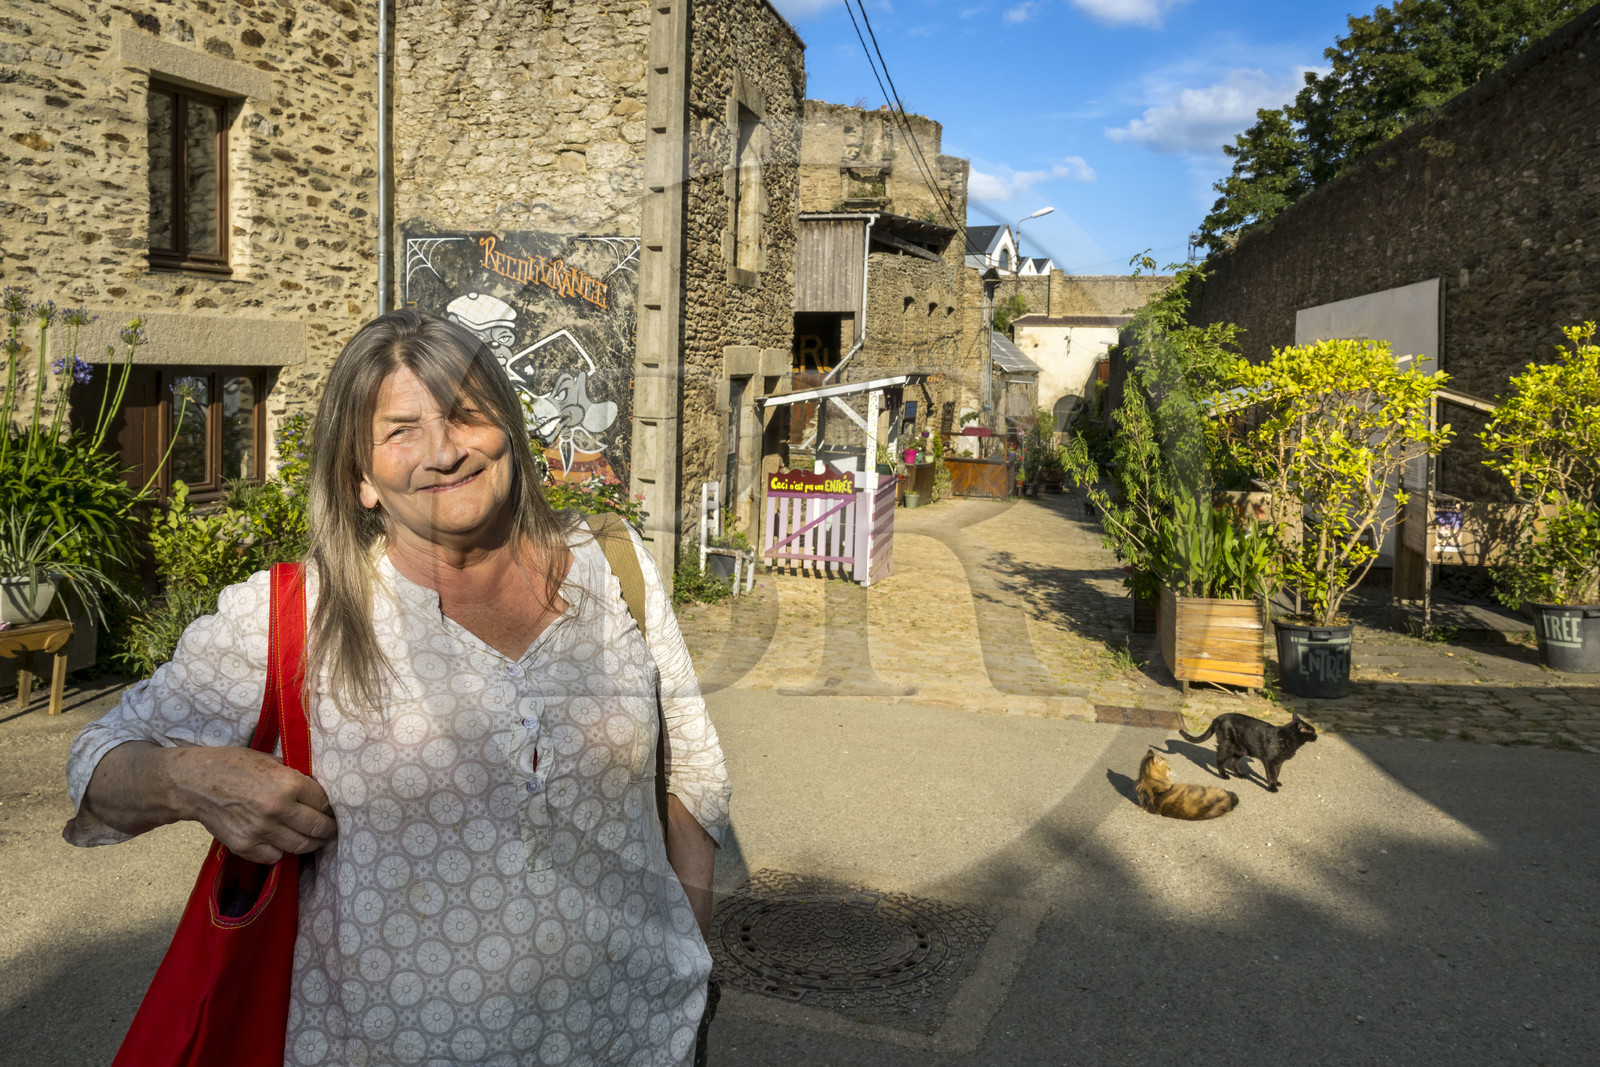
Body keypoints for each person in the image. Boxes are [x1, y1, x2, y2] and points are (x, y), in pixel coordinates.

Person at [65, 310, 730, 1066]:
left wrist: (688, 955)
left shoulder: (614, 565)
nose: (445, 450)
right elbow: (98, 762)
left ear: (507, 428)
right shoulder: (297, 616)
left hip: (637, 1037)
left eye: (466, 413)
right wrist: (190, 778)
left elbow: (693, 777)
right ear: (361, 479)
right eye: (401, 430)